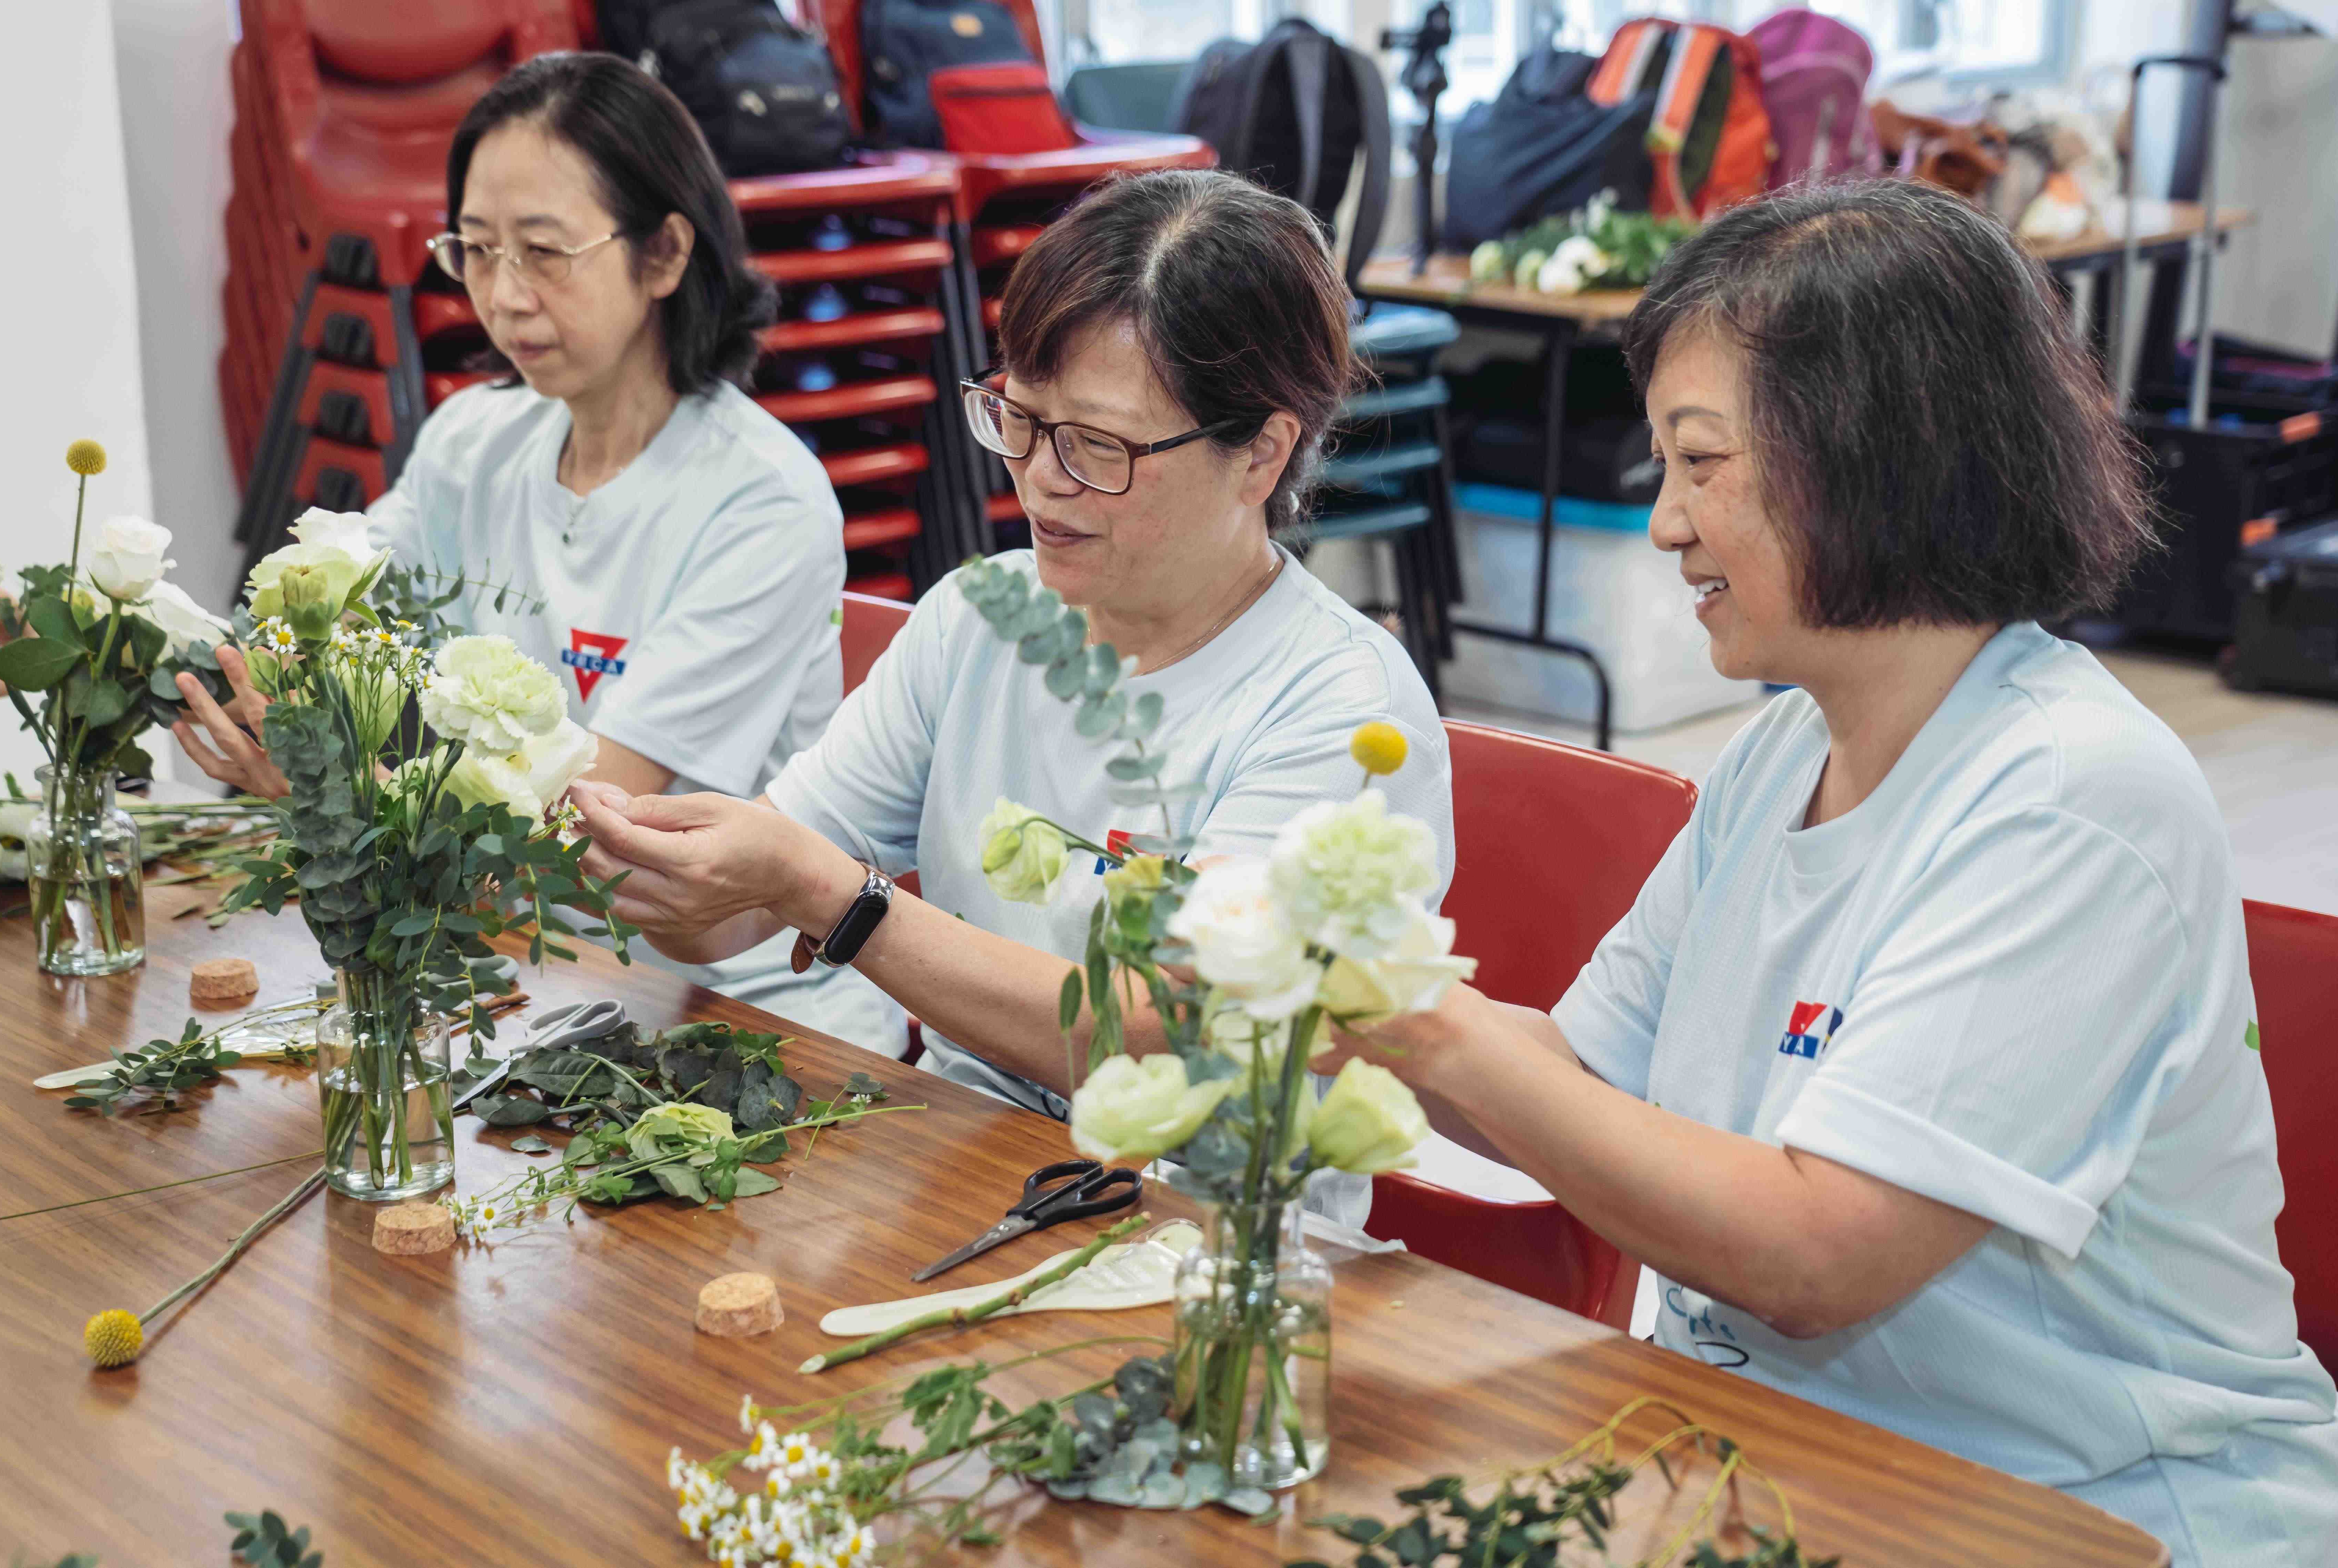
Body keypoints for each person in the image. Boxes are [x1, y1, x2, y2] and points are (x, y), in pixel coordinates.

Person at [1318, 180, 2338, 1564]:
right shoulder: (1777, 751)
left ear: (1872, 454)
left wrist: (1430, 1029)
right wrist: (1338, 999)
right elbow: (1575, 1075)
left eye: (1699, 462)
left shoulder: (2067, 796)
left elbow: (1813, 1259)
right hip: (1789, 1467)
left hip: (2084, 1515)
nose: (1665, 523)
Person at [569, 170, 1454, 1222]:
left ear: (1260, 451)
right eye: (1020, 420)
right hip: (963, 1162)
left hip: (1207, 1237)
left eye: (1097, 446)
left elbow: (1145, 1032)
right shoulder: (981, 616)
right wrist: (668, 878)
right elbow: (752, 898)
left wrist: (839, 900)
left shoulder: (1341, 711)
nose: (1038, 479)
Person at [168, 54, 896, 1051]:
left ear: (664, 254)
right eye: (473, 250)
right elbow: (313, 627)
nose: (503, 298)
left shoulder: (758, 502)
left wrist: (332, 786)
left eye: (544, 252)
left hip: (726, 1012)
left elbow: (591, 821)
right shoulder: (474, 440)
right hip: (509, 963)